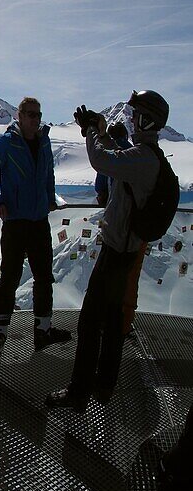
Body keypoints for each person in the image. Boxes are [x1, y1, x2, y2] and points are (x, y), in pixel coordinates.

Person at [47, 90, 171, 412]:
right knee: (113, 322)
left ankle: (78, 393)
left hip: (117, 252)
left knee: (89, 323)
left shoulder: (143, 159)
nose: (130, 119)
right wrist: (100, 131)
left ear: (147, 120)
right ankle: (104, 387)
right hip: (125, 250)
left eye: (135, 115)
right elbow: (117, 157)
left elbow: (102, 160)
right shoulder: (145, 156)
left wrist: (92, 133)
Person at [0, 97, 71, 353]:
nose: (34, 119)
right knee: (9, 279)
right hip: (15, 222)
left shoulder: (44, 141)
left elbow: (49, 171)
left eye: (38, 114)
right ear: (19, 115)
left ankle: (43, 332)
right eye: (30, 114)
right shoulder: (8, 143)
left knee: (43, 278)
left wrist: (50, 198)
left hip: (39, 222)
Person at [94, 121, 148, 336]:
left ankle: (103, 322)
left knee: (107, 277)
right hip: (136, 230)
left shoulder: (112, 157)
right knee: (129, 279)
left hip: (115, 230)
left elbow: (100, 186)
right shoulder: (138, 155)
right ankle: (124, 325)